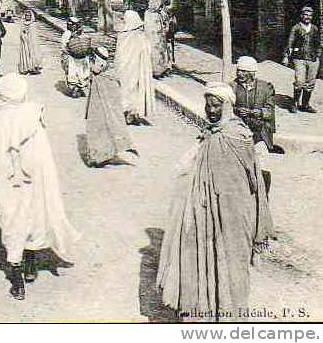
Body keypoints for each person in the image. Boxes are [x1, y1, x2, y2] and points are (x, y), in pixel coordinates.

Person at [157, 82, 274, 321]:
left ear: (228, 106)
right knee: (204, 259)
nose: (210, 110)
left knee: (231, 266)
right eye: (208, 105)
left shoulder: (238, 135)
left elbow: (251, 180)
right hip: (207, 211)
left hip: (233, 216)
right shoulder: (210, 133)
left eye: (216, 106)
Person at [0, 74, 80, 300]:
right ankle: (29, 266)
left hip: (8, 184)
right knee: (33, 220)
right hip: (32, 183)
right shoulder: (33, 116)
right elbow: (44, 157)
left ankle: (18, 280)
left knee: (13, 224)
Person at [84, 46, 137, 167]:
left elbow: (95, 70)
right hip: (101, 100)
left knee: (97, 125)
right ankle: (103, 154)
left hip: (98, 102)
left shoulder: (101, 70)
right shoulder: (111, 74)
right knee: (104, 125)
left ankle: (99, 156)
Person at [230, 56, 276, 195]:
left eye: (244, 71)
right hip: (239, 133)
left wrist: (252, 113)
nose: (240, 74)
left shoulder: (265, 88)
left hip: (259, 134)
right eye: (239, 70)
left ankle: (264, 197)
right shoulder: (231, 87)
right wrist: (237, 111)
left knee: (263, 166)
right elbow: (226, 109)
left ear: (252, 73)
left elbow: (269, 113)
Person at [116, 10, 154, 125]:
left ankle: (129, 111)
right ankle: (133, 111)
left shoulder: (122, 35)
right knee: (136, 88)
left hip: (125, 67)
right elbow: (148, 50)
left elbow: (118, 54)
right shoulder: (140, 36)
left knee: (126, 88)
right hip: (137, 67)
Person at [283, 6, 321, 113]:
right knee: (299, 81)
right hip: (299, 58)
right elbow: (290, 43)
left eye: (310, 15)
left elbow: (317, 43)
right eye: (305, 15)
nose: (307, 17)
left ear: (312, 17)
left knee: (310, 83)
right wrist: (286, 56)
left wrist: (318, 55)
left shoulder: (314, 28)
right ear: (301, 16)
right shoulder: (296, 28)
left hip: (312, 59)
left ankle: (305, 105)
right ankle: (295, 103)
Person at [61, 18, 92, 98]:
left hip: (83, 57)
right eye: (71, 25)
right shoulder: (67, 34)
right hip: (72, 58)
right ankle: (74, 90)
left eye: (75, 25)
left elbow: (86, 42)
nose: (73, 27)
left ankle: (80, 88)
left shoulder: (82, 33)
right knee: (73, 73)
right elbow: (64, 46)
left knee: (83, 73)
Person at [144, 0, 171, 77]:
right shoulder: (148, 13)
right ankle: (154, 70)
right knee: (153, 53)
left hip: (160, 36)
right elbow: (147, 26)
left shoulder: (160, 13)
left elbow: (166, 22)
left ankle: (162, 69)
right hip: (151, 37)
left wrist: (166, 28)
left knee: (162, 52)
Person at [18, 9, 42, 75]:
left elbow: (35, 35)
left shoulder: (33, 24)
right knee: (25, 53)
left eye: (29, 15)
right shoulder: (23, 23)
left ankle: (33, 67)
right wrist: (24, 36)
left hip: (32, 43)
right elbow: (21, 32)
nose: (28, 17)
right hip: (25, 41)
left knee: (33, 53)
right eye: (26, 15)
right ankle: (26, 68)